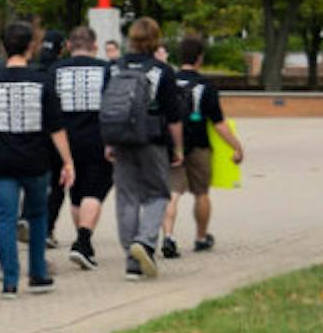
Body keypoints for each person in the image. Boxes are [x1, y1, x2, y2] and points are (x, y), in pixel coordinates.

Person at [0, 21, 75, 297]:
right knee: (37, 216)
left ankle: (9, 281)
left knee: (6, 218)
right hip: (36, 160)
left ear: (3, 46)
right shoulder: (42, 81)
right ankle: (37, 274)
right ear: (31, 47)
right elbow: (55, 126)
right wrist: (68, 161)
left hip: (2, 161)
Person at [103, 17, 184, 281]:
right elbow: (173, 116)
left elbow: (107, 107)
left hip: (121, 138)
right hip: (153, 139)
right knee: (157, 194)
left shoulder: (114, 68)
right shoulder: (162, 71)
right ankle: (146, 241)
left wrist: (108, 142)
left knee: (126, 198)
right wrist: (178, 148)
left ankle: (132, 261)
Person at [159, 34, 244, 258]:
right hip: (198, 146)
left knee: (172, 193)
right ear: (199, 58)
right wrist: (237, 146)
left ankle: (168, 237)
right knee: (201, 193)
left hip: (172, 147)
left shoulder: (168, 80)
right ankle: (200, 237)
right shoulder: (206, 86)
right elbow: (219, 124)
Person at [50, 26, 114, 270]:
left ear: (68, 46)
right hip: (97, 139)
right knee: (95, 191)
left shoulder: (55, 71)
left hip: (65, 143)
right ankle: (83, 241)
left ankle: (83, 244)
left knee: (76, 194)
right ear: (95, 46)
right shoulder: (106, 70)